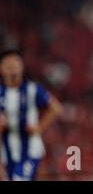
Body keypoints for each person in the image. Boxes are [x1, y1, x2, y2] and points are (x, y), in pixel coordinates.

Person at [0, 50, 63, 181]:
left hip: (30, 149)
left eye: (15, 64)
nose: (12, 69)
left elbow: (56, 108)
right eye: (8, 65)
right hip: (8, 151)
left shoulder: (32, 89)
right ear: (2, 68)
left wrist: (40, 127)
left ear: (22, 66)